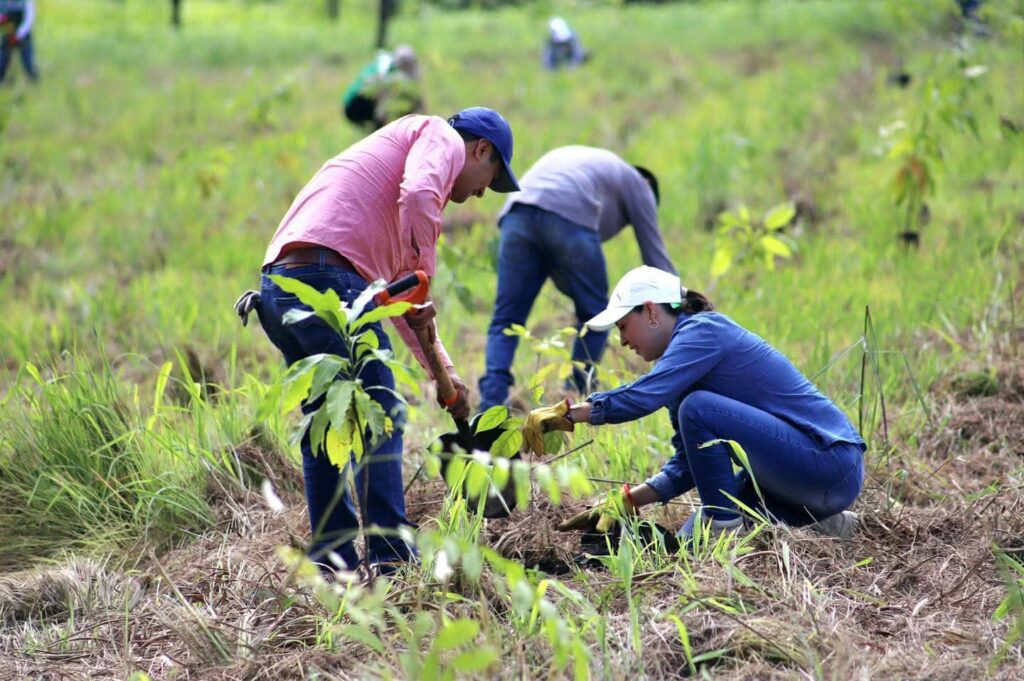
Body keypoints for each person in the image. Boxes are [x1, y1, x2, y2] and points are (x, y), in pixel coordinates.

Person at [255, 108, 519, 574]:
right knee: (381, 412)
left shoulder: (396, 211)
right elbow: (420, 197)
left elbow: (405, 302)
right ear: (481, 149)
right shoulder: (437, 135)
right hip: (329, 279)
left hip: (281, 287)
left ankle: (334, 563)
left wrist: (446, 375)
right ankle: (391, 555)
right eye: (488, 178)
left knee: (329, 425)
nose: (479, 192)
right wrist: (427, 273)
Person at [530, 266, 865, 544]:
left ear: (649, 310)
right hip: (801, 485)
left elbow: (643, 395)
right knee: (692, 539)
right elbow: (691, 464)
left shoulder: (703, 331)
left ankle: (727, 535)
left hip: (829, 463)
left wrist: (570, 414)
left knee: (699, 412)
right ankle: (828, 526)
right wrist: (628, 499)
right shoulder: (681, 367)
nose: (622, 341)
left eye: (622, 327)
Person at [478, 146, 675, 413]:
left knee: (506, 319)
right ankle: (574, 398)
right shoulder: (639, 184)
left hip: (517, 215)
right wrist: (687, 310)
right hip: (569, 214)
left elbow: (560, 270)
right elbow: (657, 262)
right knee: (596, 315)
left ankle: (490, 405)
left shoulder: (598, 168)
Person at [342, 45, 423, 131]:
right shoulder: (386, 74)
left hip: (358, 101)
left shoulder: (385, 62)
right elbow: (382, 103)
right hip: (355, 103)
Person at [0, 0, 37, 83]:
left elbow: (30, 18)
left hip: (24, 33)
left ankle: (33, 80)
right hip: (7, 31)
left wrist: (19, 35)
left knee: (28, 61)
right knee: (3, 60)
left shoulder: (26, 2)